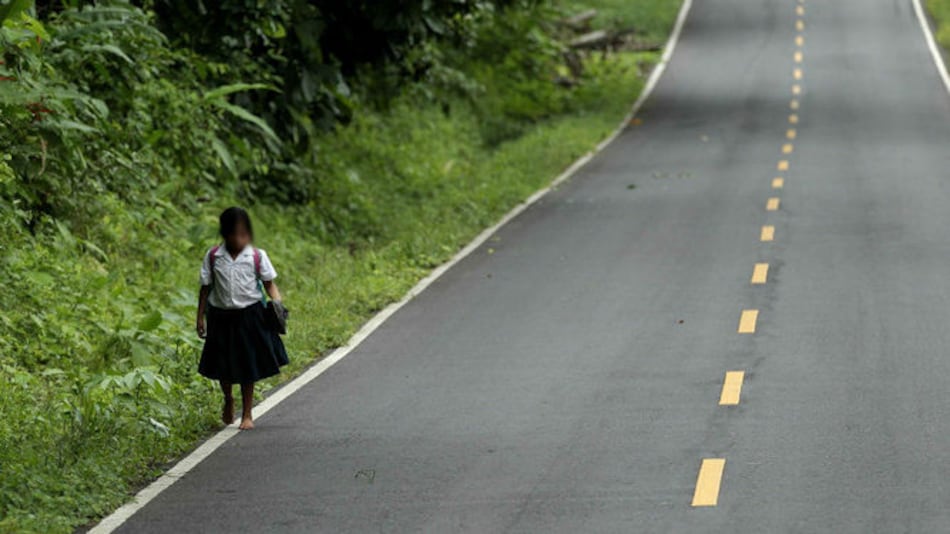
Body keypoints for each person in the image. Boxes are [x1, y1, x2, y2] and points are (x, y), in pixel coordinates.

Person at [196, 207, 288, 430]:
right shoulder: (213, 257)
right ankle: (228, 398)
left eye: (244, 233)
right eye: (234, 234)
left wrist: (277, 304)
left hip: (250, 315)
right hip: (220, 316)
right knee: (222, 365)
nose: (239, 239)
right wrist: (200, 318)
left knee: (249, 365)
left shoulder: (257, 256)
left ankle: (247, 414)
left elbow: (269, 285)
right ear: (225, 234)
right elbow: (205, 289)